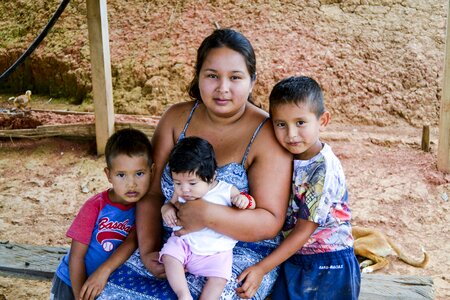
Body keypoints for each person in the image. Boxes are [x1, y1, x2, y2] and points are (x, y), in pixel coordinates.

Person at [97, 28, 292, 299]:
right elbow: (152, 194)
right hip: (175, 243)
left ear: (252, 80)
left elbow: (270, 220)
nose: (223, 88)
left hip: (238, 251)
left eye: (235, 77)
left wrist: (206, 214)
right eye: (212, 76)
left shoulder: (266, 134)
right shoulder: (176, 119)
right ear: (198, 75)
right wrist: (150, 249)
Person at [236, 76, 361, 299]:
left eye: (300, 123)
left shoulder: (322, 168)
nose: (291, 134)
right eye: (281, 124)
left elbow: (304, 230)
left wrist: (261, 269)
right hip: (294, 257)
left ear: (323, 120)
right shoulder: (287, 156)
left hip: (328, 263)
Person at [50, 128, 153, 300]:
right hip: (71, 282)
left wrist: (103, 272)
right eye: (121, 175)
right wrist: (79, 296)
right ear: (108, 175)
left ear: (153, 171)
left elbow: (133, 240)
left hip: (104, 285)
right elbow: (76, 257)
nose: (131, 184)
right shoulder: (95, 206)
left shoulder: (144, 208)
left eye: (139, 173)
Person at [160, 136, 256, 300]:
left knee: (220, 277)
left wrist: (244, 200)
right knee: (169, 255)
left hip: (217, 251)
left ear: (211, 177)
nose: (184, 190)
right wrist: (167, 209)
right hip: (185, 244)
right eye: (177, 183)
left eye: (192, 183)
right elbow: (169, 204)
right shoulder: (181, 191)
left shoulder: (225, 190)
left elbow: (251, 204)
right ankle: (183, 294)